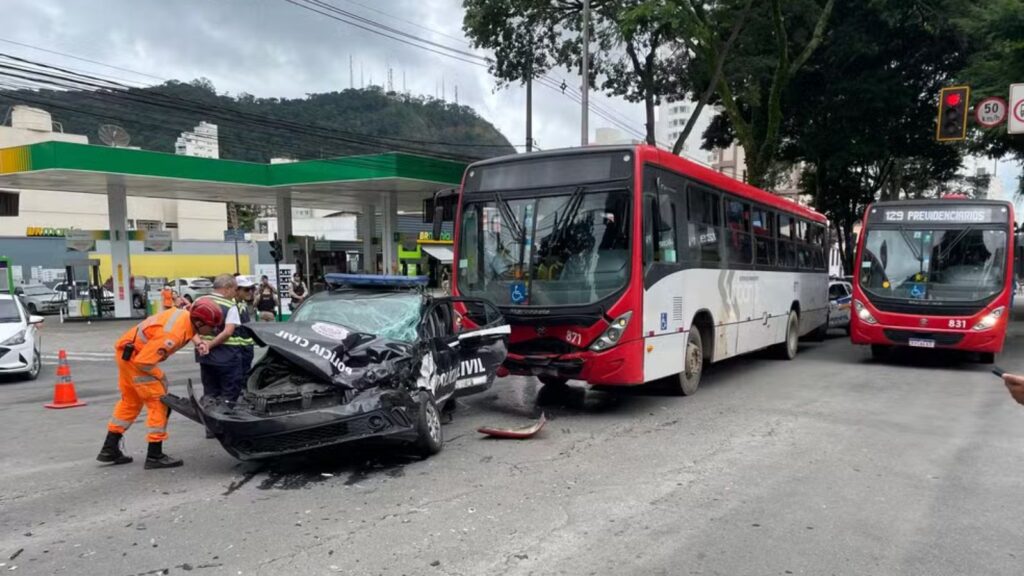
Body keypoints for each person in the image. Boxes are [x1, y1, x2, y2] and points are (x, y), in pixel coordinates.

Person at [96, 299, 222, 469]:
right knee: (160, 404)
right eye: (211, 327)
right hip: (137, 360)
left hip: (126, 354)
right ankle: (155, 455)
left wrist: (198, 342)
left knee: (130, 402)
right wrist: (160, 376)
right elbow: (144, 362)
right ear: (199, 322)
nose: (214, 330)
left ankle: (109, 448)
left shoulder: (185, 316)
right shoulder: (172, 335)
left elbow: (190, 329)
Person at [194, 274, 245, 403]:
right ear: (227, 288)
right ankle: (225, 417)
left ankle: (209, 415)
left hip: (205, 357)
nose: (235, 293)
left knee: (210, 392)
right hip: (227, 356)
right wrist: (210, 345)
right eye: (235, 289)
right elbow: (228, 332)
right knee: (229, 393)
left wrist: (201, 344)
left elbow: (190, 329)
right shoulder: (229, 306)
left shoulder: (199, 301)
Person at [233, 275, 257, 380]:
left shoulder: (243, 302)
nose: (250, 292)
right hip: (238, 349)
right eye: (246, 289)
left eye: (252, 289)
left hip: (247, 347)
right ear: (237, 290)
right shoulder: (231, 304)